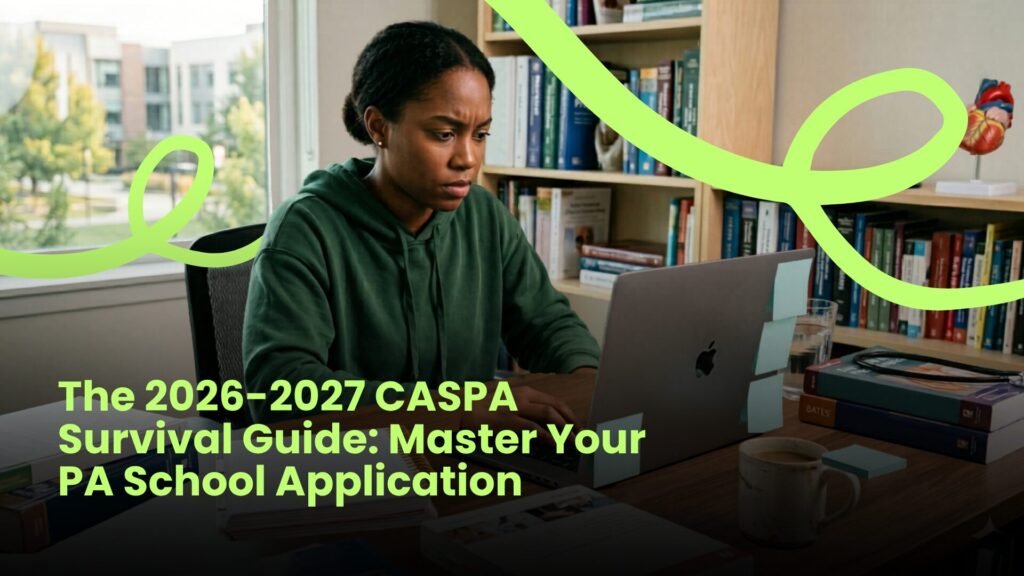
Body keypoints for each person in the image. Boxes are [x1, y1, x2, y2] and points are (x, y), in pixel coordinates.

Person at [242, 21, 599, 434]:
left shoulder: (484, 214)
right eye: (444, 134)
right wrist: (451, 409)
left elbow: (547, 324)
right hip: (359, 464)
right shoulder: (305, 229)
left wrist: (590, 378)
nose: (468, 158)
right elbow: (281, 390)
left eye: (480, 134)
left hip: (472, 456)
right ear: (379, 127)